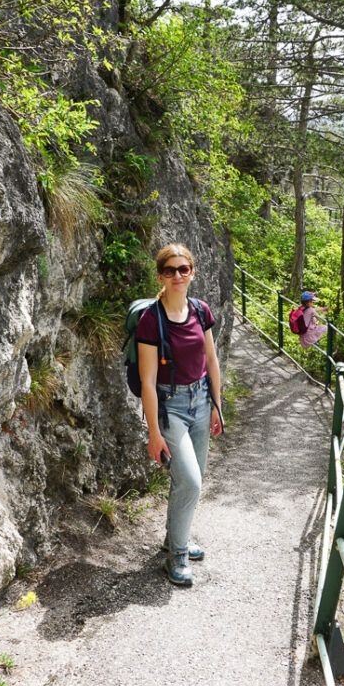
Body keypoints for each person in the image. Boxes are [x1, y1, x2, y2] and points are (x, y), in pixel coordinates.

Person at [136, 243, 223, 588]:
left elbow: (211, 360)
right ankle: (178, 555)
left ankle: (175, 539)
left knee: (193, 475)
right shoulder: (150, 320)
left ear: (192, 273)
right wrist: (154, 432)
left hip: (201, 400)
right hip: (170, 407)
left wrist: (217, 405)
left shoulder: (200, 311)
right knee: (190, 480)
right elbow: (148, 380)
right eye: (170, 270)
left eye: (183, 269)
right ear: (160, 275)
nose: (177, 275)